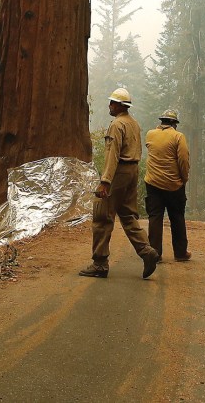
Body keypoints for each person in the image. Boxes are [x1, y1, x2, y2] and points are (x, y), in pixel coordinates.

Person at [79, 87, 160, 279]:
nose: (110, 105)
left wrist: (105, 181)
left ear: (120, 105)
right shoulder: (134, 123)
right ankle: (147, 251)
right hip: (132, 172)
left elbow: (112, 154)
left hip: (119, 172)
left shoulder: (117, 125)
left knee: (102, 217)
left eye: (112, 103)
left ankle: (99, 264)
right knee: (128, 215)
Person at [145, 108, 191, 262]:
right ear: (174, 123)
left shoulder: (150, 134)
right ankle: (180, 253)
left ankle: (155, 254)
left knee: (155, 217)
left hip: (152, 183)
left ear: (162, 121)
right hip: (174, 185)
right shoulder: (178, 137)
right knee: (177, 217)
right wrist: (184, 179)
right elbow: (183, 161)